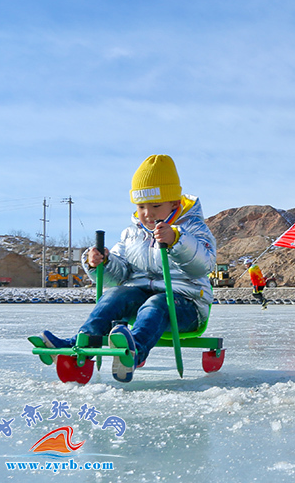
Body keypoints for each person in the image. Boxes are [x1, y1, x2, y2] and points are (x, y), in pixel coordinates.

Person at [39, 154, 217, 382]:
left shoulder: (193, 228)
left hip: (185, 305)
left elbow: (204, 264)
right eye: (141, 206)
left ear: (175, 203)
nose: (147, 213)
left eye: (156, 206)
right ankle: (81, 342)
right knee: (116, 295)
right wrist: (102, 262)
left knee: (158, 302)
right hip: (141, 300)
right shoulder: (131, 234)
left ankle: (134, 351)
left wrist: (177, 241)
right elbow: (119, 275)